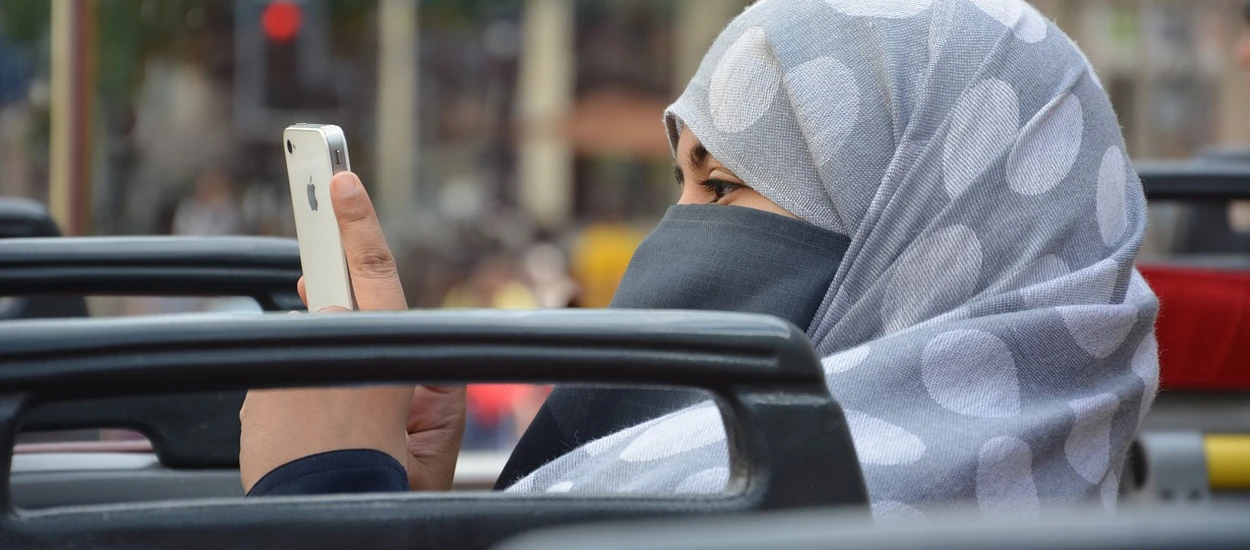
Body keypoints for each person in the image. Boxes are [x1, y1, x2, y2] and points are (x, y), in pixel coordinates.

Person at [240, 0, 1159, 519]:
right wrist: (416, 520)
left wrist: (323, 496)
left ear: (917, 233)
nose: (670, 243)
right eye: (678, 187)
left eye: (722, 189)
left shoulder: (759, 521)